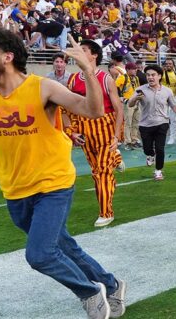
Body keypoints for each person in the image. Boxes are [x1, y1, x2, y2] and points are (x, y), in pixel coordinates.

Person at [0, 23, 126, 319]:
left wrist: (87, 71)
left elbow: (93, 110)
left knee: (40, 254)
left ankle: (90, 292)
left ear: (6, 56)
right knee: (64, 246)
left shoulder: (43, 87)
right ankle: (112, 283)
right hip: (14, 189)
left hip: (53, 184)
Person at [66, 39, 124, 227]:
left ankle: (106, 212)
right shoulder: (73, 79)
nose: (79, 53)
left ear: (94, 55)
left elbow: (118, 109)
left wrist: (116, 136)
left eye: (83, 50)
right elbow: (66, 107)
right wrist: (72, 131)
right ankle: (115, 158)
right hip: (84, 129)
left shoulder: (105, 78)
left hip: (104, 127)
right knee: (96, 169)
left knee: (102, 172)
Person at [128, 65, 176, 180]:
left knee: (160, 148)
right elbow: (130, 104)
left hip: (162, 123)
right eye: (148, 75)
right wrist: (135, 98)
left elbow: (173, 105)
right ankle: (150, 155)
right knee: (147, 149)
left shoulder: (167, 91)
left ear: (159, 76)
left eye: (153, 75)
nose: (150, 77)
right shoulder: (141, 89)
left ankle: (158, 171)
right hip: (145, 124)